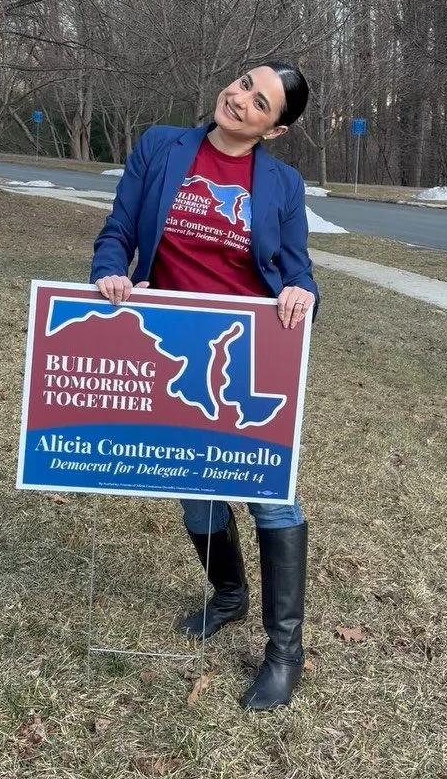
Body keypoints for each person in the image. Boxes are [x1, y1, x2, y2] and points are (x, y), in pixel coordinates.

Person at [90, 61, 319, 710]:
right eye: (244, 83)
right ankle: (228, 595)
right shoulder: (162, 145)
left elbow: (298, 274)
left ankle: (284, 653)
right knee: (194, 499)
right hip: (176, 349)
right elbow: (119, 234)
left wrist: (303, 295)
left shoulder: (282, 185)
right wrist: (111, 274)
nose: (240, 98)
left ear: (275, 128)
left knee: (270, 498)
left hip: (248, 353)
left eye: (260, 101)